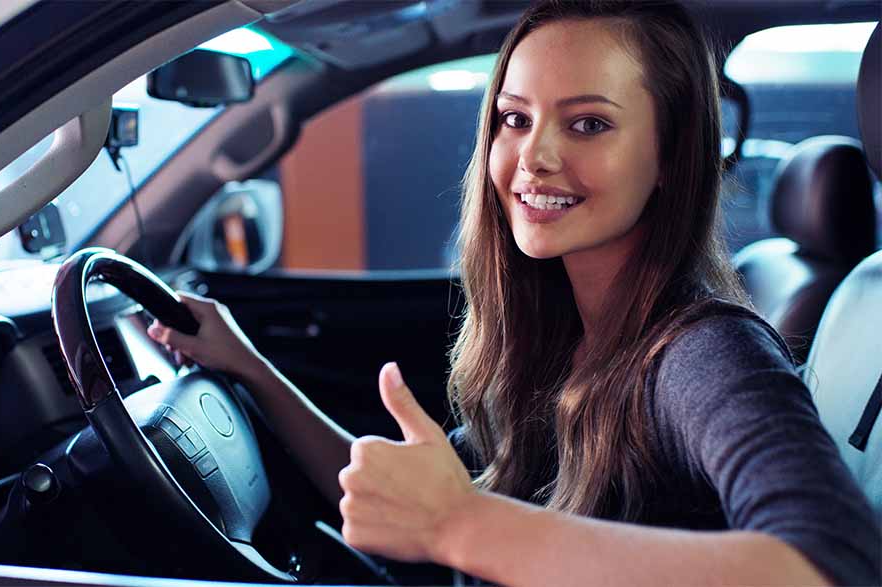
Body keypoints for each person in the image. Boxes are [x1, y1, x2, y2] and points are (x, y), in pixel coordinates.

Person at [147, 1, 882, 584]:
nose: (535, 155)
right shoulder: (568, 334)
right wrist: (247, 366)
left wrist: (458, 525)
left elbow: (828, 568)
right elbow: (426, 498)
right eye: (514, 119)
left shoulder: (702, 348)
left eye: (588, 123)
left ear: (668, 154)